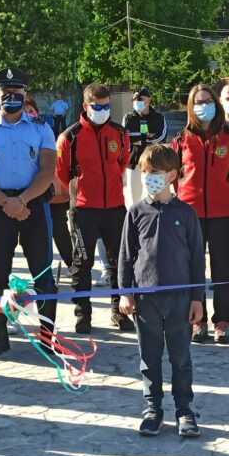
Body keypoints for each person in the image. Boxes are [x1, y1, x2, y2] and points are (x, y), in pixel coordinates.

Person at [0, 67, 57, 358]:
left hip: (33, 203)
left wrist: (22, 200)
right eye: (5, 94)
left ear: (25, 95)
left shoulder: (41, 127)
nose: (11, 98)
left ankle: (47, 336)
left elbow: (47, 171)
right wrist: (8, 203)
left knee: (43, 275)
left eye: (16, 94)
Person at [118, 143, 203, 438]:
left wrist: (197, 298)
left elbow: (196, 259)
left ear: (172, 175)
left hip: (179, 300)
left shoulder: (186, 214)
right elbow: (126, 256)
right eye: (145, 173)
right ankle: (152, 408)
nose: (149, 178)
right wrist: (125, 293)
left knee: (180, 357)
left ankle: (184, 409)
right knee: (149, 357)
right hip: (146, 300)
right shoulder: (135, 213)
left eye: (155, 173)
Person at [56, 83, 132, 334]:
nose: (103, 110)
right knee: (82, 262)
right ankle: (82, 314)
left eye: (106, 106)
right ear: (86, 106)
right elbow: (62, 172)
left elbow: (122, 163)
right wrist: (81, 189)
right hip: (83, 209)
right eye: (97, 107)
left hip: (114, 207)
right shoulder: (70, 136)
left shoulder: (120, 133)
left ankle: (118, 312)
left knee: (117, 262)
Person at [173, 84, 229, 344]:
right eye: (198, 102)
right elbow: (174, 177)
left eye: (208, 101)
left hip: (223, 214)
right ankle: (197, 320)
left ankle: (222, 321)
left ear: (216, 103)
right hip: (189, 214)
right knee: (193, 268)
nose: (204, 106)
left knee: (222, 269)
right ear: (191, 107)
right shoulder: (180, 140)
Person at [24, 98, 73, 284]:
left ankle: (71, 264)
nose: (29, 113)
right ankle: (41, 272)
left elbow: (58, 163)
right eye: (25, 110)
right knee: (35, 237)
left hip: (53, 193)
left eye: (31, 109)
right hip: (28, 194)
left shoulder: (47, 132)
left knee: (60, 229)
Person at [122, 88, 167, 207]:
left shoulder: (159, 117)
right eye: (135, 99)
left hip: (154, 163)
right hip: (134, 162)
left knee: (154, 196)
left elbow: (161, 137)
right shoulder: (128, 117)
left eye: (140, 98)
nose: (137, 101)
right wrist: (145, 136)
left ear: (149, 100)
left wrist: (139, 140)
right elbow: (125, 136)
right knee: (134, 199)